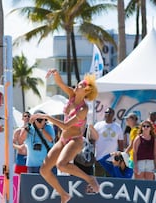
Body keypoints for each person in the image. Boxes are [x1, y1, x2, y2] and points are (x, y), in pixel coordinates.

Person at [32, 69, 99, 203]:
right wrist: (55, 74)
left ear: (86, 90)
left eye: (80, 85)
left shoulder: (83, 109)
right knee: (44, 170)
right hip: (63, 139)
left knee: (61, 165)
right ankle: (64, 195)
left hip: (75, 140)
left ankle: (90, 179)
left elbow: (66, 125)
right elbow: (61, 84)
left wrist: (46, 116)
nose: (77, 85)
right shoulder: (72, 95)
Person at [94, 107, 124, 177]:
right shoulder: (98, 125)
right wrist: (93, 156)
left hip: (112, 160)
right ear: (104, 114)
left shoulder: (117, 127)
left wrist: (120, 158)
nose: (108, 114)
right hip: (99, 158)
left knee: (111, 180)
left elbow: (121, 144)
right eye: (107, 112)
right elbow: (93, 141)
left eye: (110, 113)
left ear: (113, 114)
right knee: (98, 180)